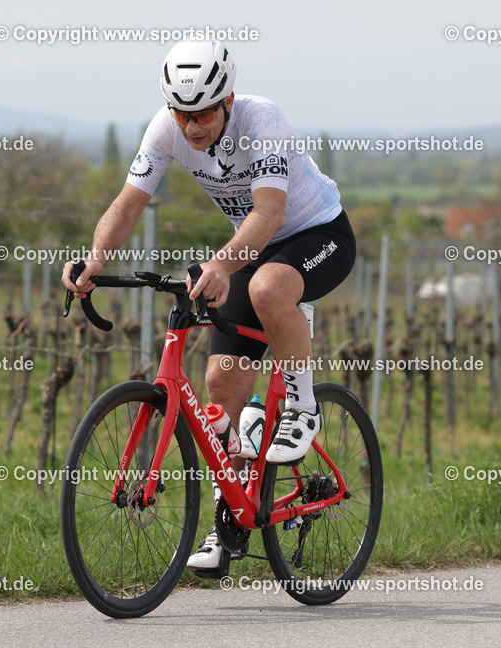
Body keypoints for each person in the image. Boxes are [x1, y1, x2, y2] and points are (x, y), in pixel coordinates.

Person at [62, 40, 356, 571]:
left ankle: (303, 408)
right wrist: (95, 259)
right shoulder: (165, 129)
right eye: (181, 113)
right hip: (252, 251)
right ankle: (230, 523)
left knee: (268, 288)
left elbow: (268, 214)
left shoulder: (261, 120)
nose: (191, 126)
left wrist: (221, 264)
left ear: (227, 100)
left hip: (318, 235)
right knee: (222, 392)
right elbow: (129, 203)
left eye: (201, 113)